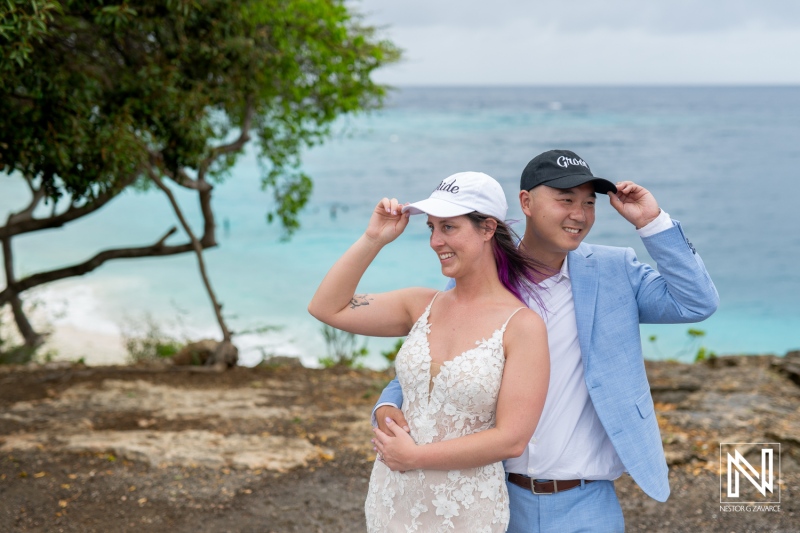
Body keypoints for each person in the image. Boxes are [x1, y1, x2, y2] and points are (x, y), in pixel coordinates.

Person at [374, 150, 719, 532]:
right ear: (527, 203)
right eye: (565, 200)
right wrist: (389, 402)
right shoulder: (482, 282)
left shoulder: (615, 269)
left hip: (589, 501)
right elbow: (436, 361)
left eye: (589, 203)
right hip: (496, 495)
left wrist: (651, 222)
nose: (580, 214)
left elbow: (696, 302)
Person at [308, 171, 550, 532]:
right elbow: (326, 307)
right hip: (393, 498)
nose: (436, 241)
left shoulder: (522, 326)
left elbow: (512, 439)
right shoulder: (420, 304)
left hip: (466, 511)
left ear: (487, 229)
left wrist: (415, 457)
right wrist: (374, 239)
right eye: (432, 228)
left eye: (448, 227)